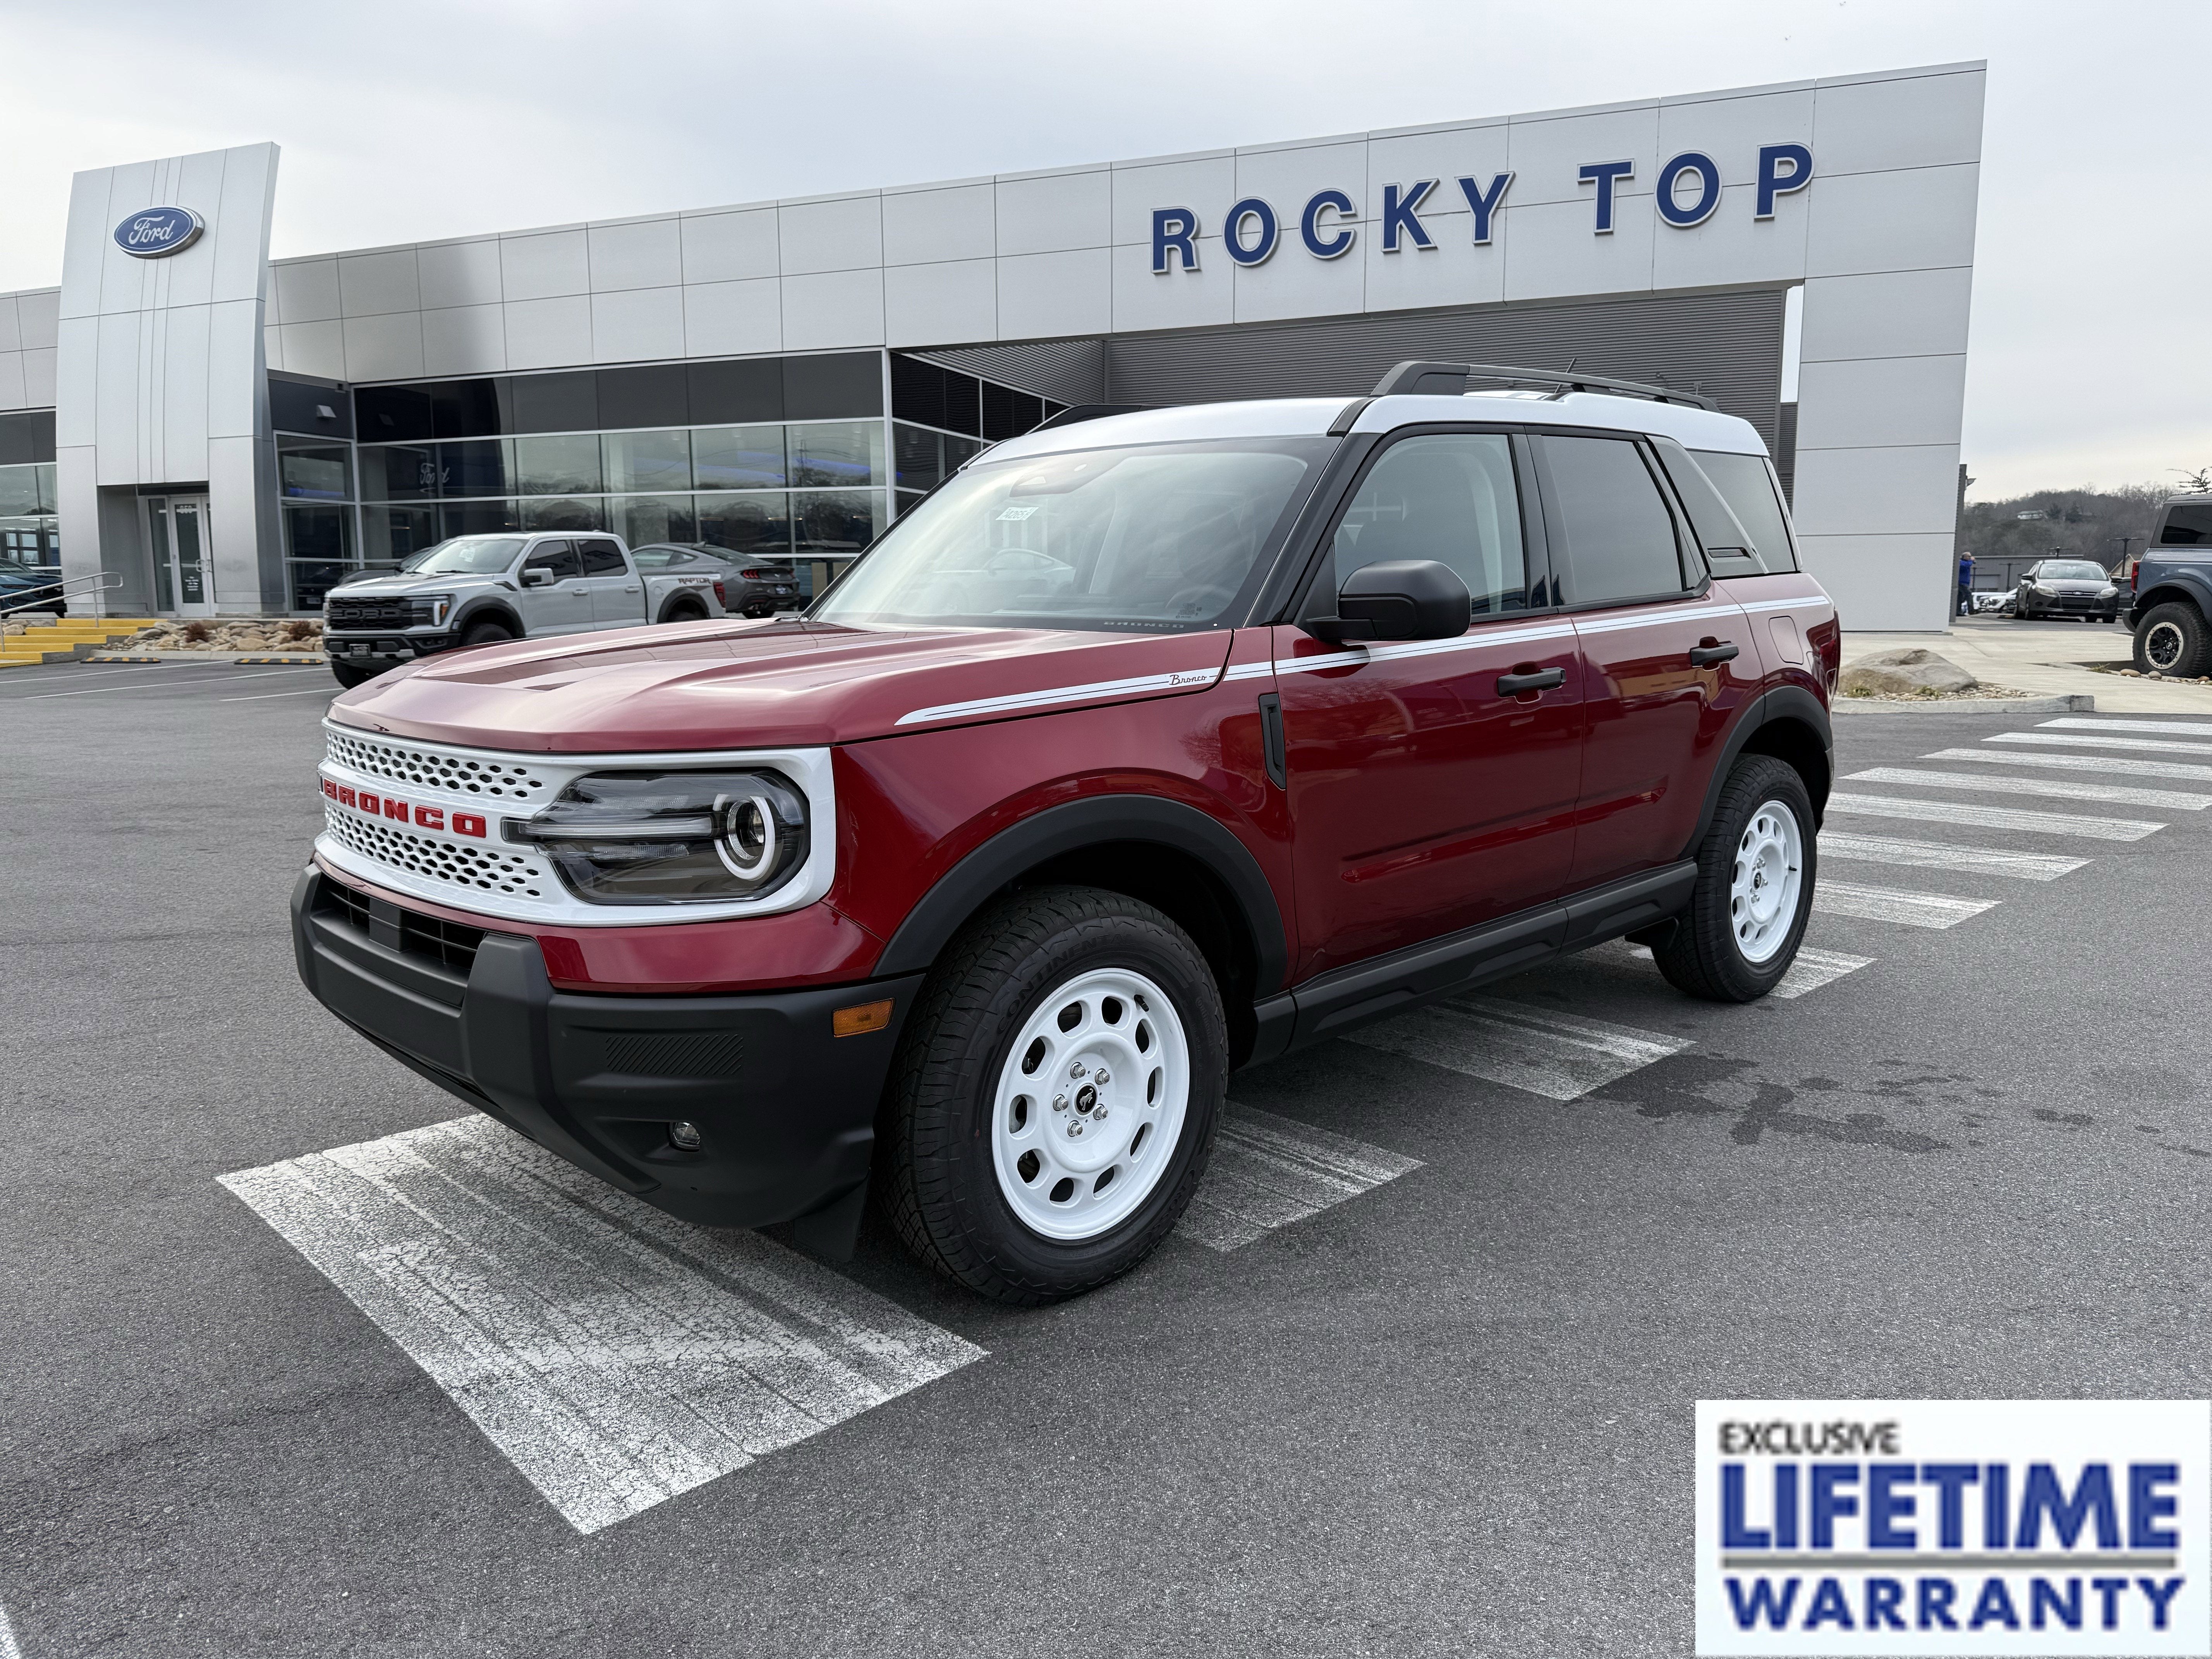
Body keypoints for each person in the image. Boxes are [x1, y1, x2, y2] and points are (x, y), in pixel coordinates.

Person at [1956, 550, 1975, 618]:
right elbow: (1966, 565)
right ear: (1964, 557)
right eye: (1969, 557)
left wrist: (1970, 561)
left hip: (1965, 583)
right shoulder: (1961, 563)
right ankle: (1971, 610)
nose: (1970, 558)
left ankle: (1958, 611)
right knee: (1969, 594)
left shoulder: (1967, 563)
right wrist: (1971, 561)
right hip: (1961, 583)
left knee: (1960, 597)